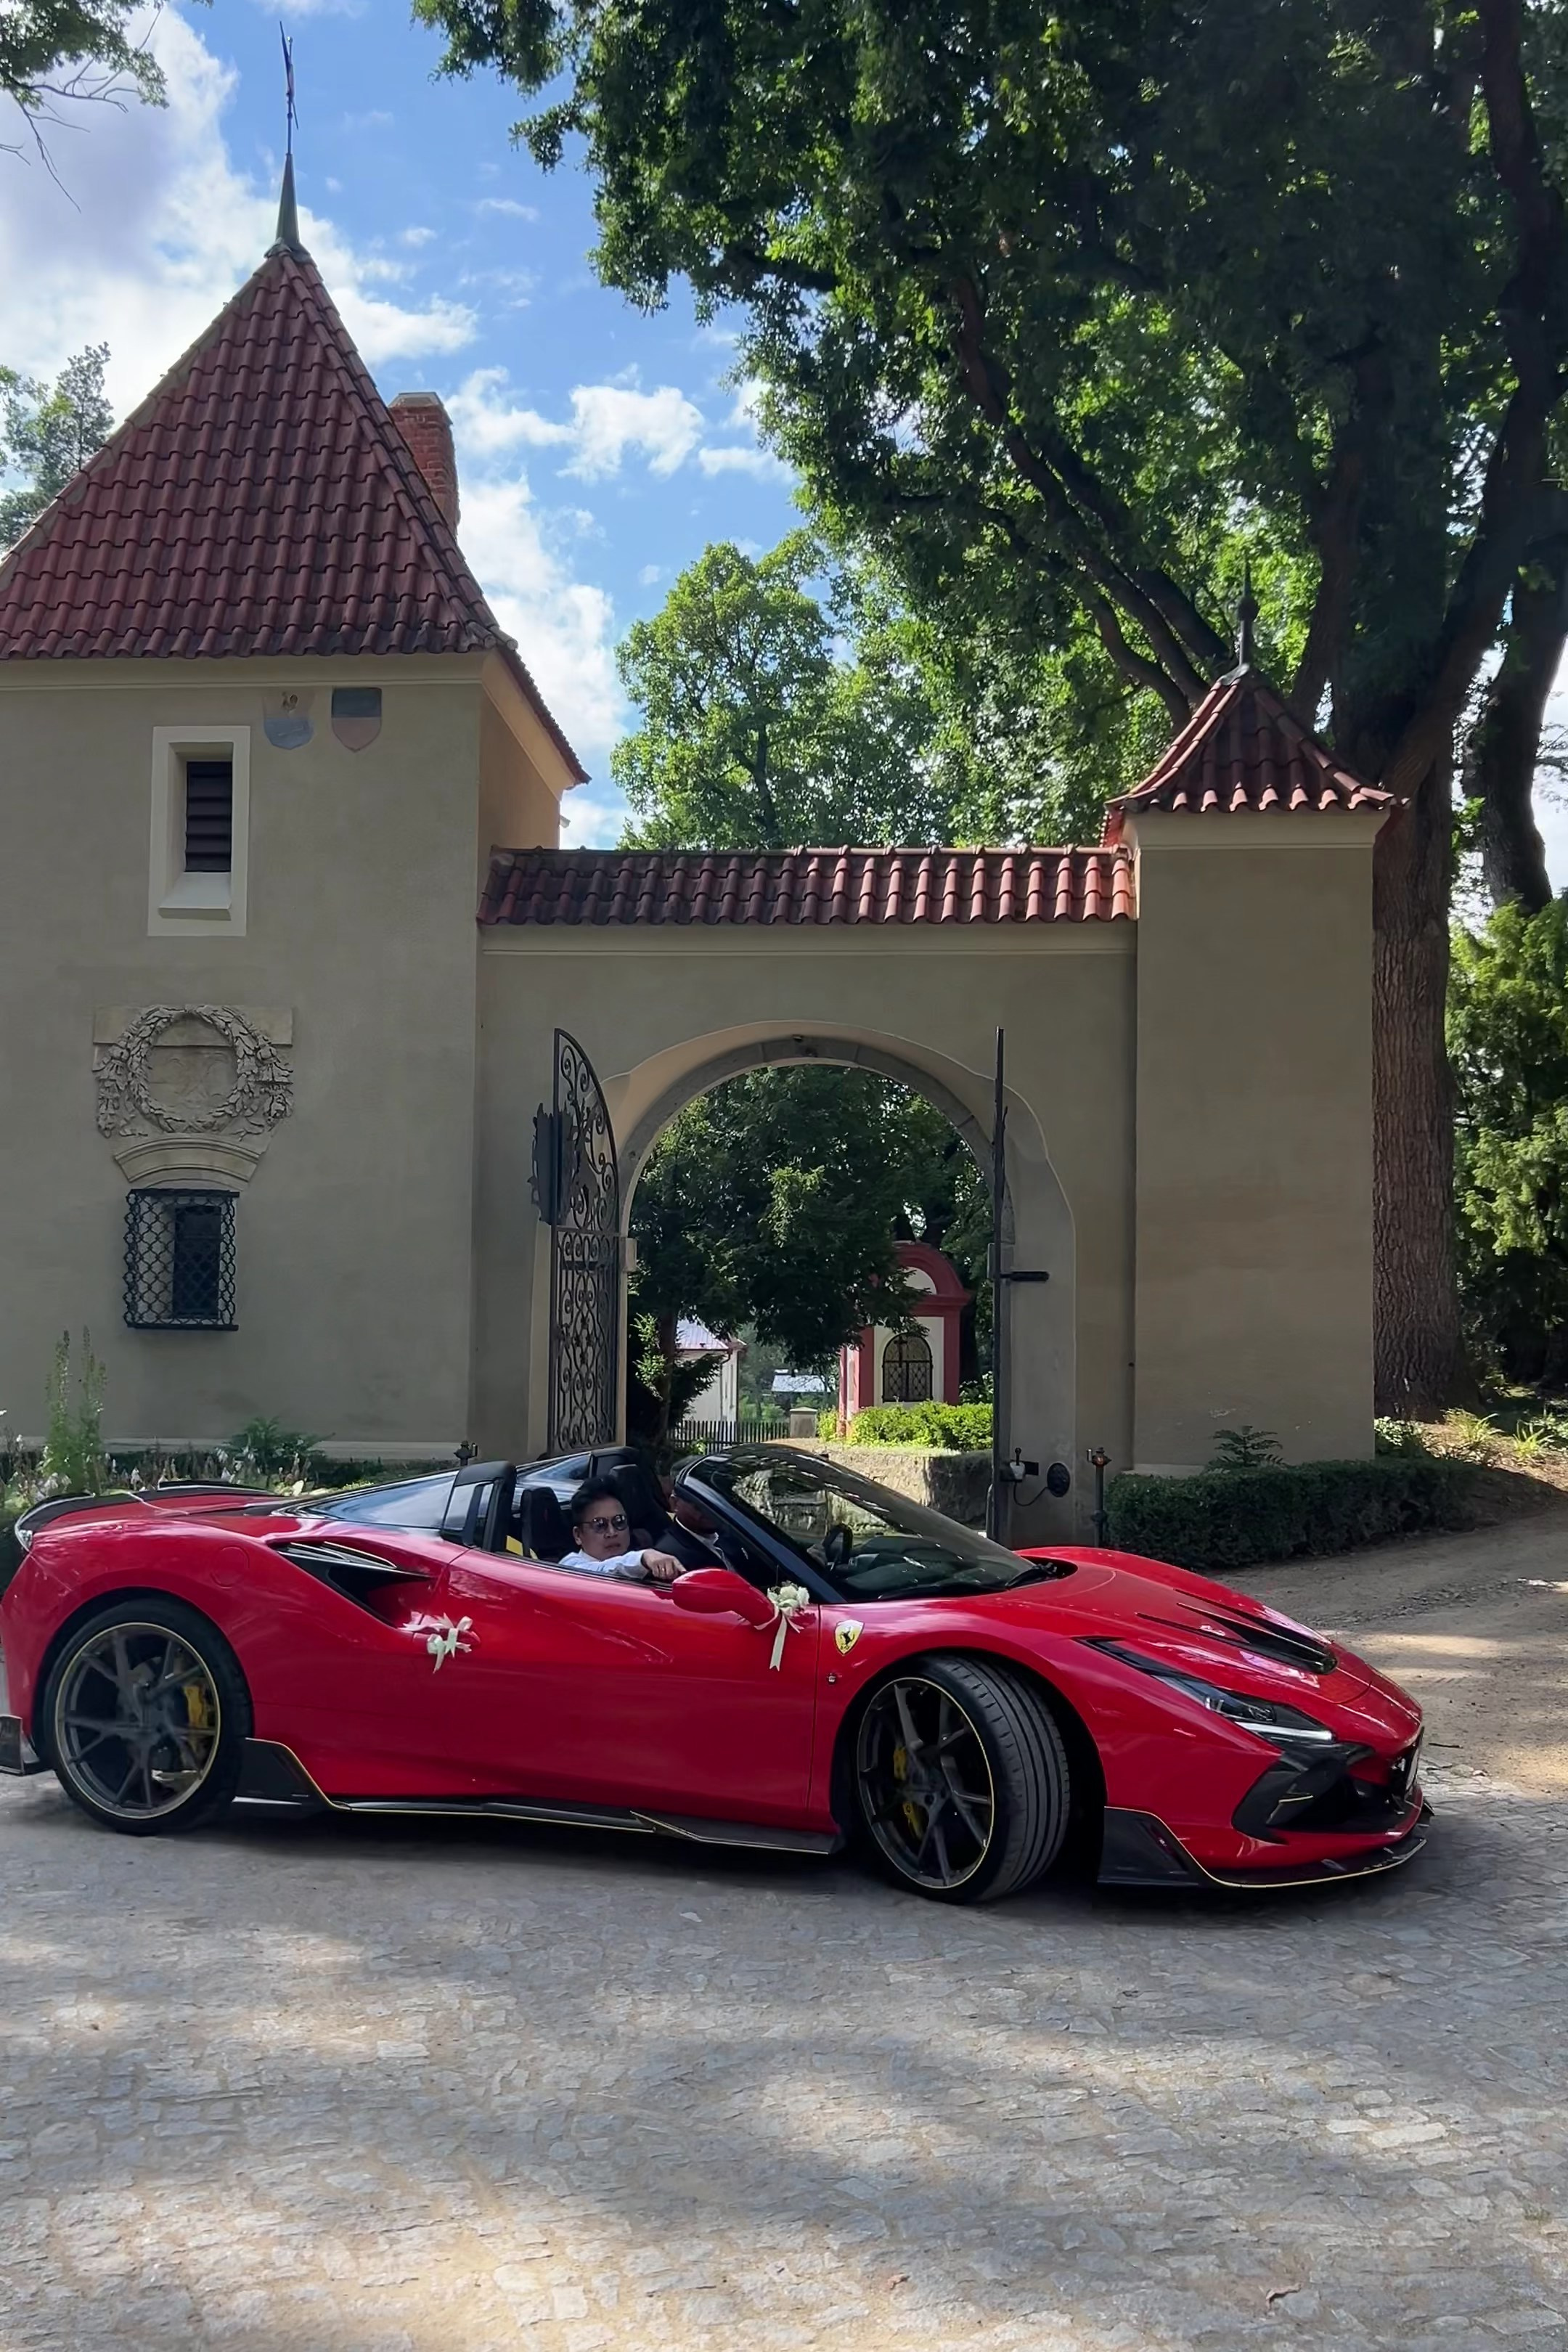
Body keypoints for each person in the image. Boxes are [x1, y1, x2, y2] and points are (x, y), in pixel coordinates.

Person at [559, 1477, 684, 1584]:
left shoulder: (638, 1564)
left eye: (619, 1521)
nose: (612, 1533)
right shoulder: (569, 1568)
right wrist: (644, 1557)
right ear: (578, 1536)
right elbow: (597, 1572)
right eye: (600, 1525)